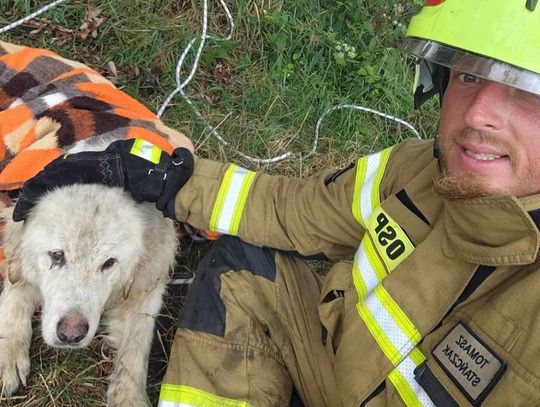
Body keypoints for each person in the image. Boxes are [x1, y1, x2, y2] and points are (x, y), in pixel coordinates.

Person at [12, 0, 540, 405]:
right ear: (439, 79)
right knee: (244, 269)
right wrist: (166, 181)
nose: (479, 115)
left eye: (529, 91)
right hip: (336, 362)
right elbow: (296, 210)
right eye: (470, 74)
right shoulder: (414, 169)